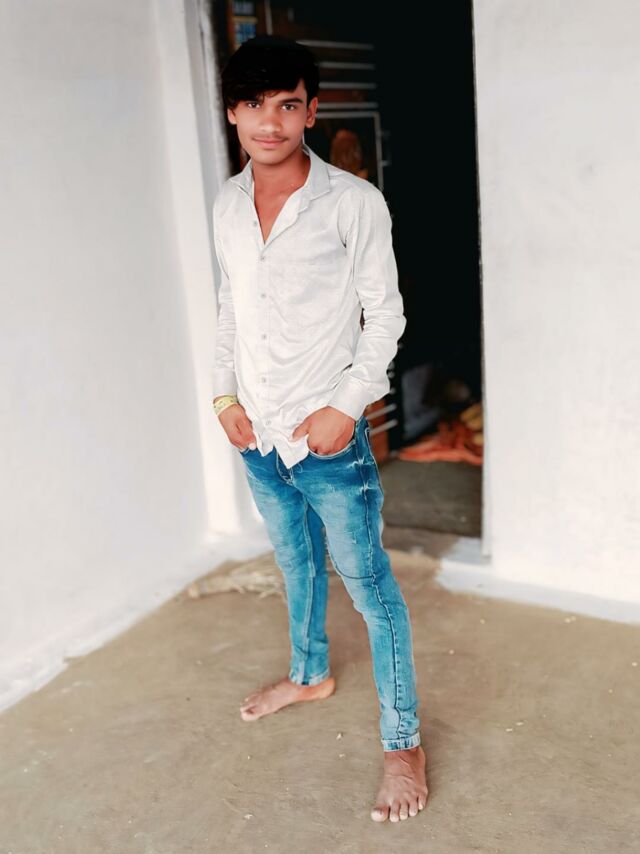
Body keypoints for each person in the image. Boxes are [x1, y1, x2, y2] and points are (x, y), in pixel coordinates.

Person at [211, 34, 428, 823]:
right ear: (233, 113)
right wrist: (223, 397)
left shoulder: (352, 202)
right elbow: (231, 308)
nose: (270, 122)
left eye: (288, 104)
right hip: (259, 436)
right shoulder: (228, 204)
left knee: (369, 586)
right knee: (296, 564)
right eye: (254, 105)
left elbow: (385, 316)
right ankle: (310, 675)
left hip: (328, 440)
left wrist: (347, 408)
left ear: (311, 111)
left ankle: (402, 743)